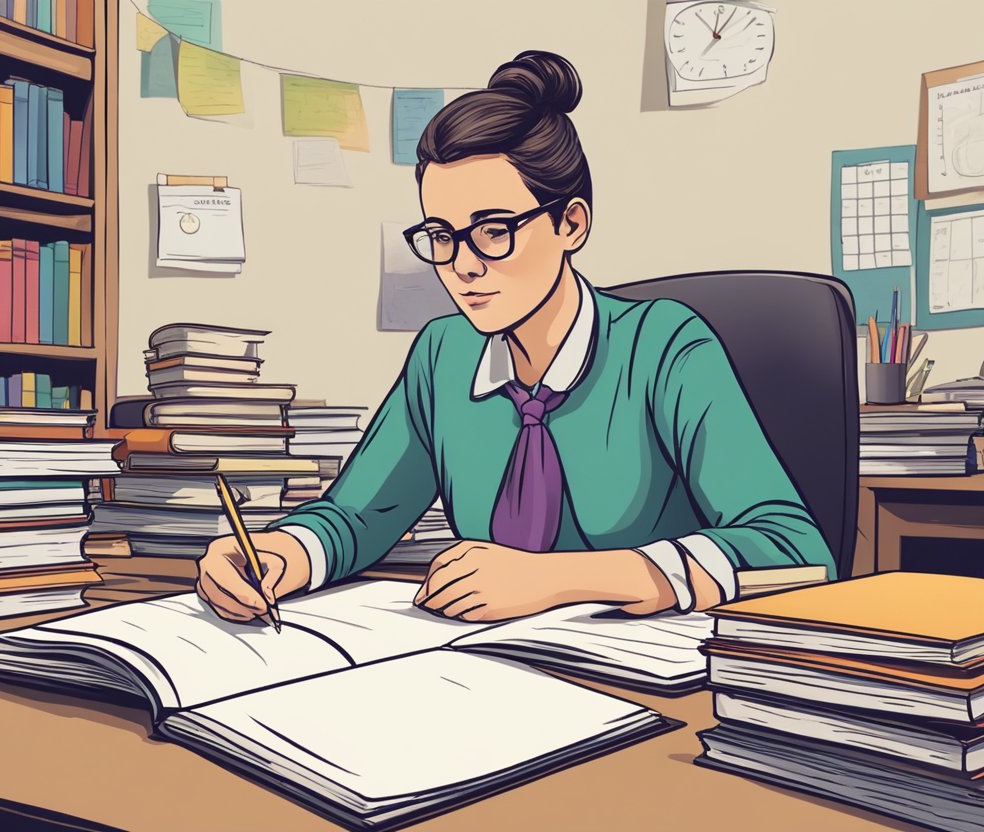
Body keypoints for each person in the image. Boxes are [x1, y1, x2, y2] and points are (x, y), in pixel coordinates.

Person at [195, 50, 836, 625]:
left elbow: (796, 552)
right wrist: (280, 554)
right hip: (488, 674)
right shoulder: (444, 357)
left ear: (571, 224)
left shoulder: (666, 348)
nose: (463, 265)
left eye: (494, 229)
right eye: (441, 235)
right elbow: (358, 517)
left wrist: (560, 580)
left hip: (652, 687)